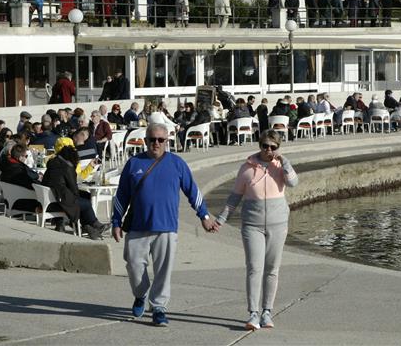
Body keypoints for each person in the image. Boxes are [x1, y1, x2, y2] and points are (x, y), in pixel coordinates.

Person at [111, 124, 217, 325]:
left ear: (167, 141)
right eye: (152, 139)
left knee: (163, 270)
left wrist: (204, 216)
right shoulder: (134, 163)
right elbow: (121, 195)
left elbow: (193, 192)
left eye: (161, 140)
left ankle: (159, 306)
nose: (156, 143)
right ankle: (140, 294)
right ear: (145, 141)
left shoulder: (177, 164)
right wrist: (116, 221)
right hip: (137, 227)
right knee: (134, 267)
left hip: (166, 227)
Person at [215, 130, 298, 330]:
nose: (268, 150)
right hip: (252, 225)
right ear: (259, 145)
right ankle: (253, 313)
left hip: (278, 223)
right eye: (265, 146)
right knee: (254, 268)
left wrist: (284, 162)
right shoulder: (246, 168)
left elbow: (293, 183)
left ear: (278, 148)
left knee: (272, 269)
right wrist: (221, 218)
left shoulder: (280, 166)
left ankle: (267, 312)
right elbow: (235, 197)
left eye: (273, 147)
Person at [42, 138, 109, 238]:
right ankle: (93, 224)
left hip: (49, 198)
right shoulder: (67, 167)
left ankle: (86, 226)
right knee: (85, 204)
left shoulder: (53, 163)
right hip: (59, 201)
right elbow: (74, 189)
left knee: (85, 195)